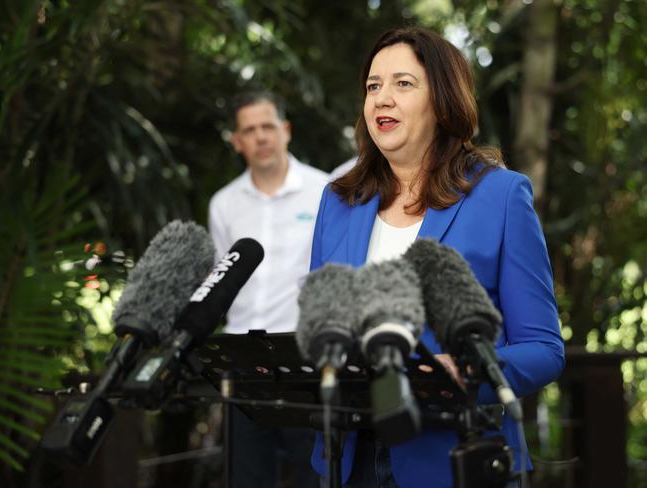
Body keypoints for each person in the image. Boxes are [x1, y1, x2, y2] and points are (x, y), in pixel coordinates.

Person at [308, 27, 565, 488]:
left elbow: (544, 349)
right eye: (373, 86)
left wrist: (464, 372)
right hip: (348, 458)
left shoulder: (501, 195)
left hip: (456, 458)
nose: (382, 98)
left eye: (403, 84)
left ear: (443, 101)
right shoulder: (339, 201)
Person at [208, 91, 328, 488]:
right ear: (236, 141)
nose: (260, 137)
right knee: (245, 478)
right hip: (241, 362)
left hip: (304, 357)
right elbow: (220, 281)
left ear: (286, 131)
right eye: (249, 130)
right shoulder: (223, 204)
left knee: (314, 477)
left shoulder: (325, 191)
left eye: (267, 127)